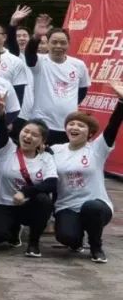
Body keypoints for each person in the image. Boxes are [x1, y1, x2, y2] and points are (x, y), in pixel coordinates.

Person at [51, 81, 123, 264]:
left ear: (90, 133)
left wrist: (121, 102)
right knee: (67, 237)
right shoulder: (56, 150)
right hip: (67, 207)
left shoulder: (97, 149)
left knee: (92, 208)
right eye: (71, 124)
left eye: (81, 126)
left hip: (96, 206)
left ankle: (96, 246)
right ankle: (76, 240)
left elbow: (113, 126)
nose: (75, 127)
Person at [0, 117, 57, 258]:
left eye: (35, 135)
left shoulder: (46, 158)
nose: (28, 136)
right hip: (4, 204)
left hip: (29, 206)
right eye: (26, 131)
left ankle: (33, 243)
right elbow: (1, 129)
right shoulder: (7, 149)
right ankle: (14, 230)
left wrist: (25, 192)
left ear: (42, 141)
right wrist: (0, 114)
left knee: (44, 200)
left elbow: (51, 183)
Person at [24, 16, 91, 145]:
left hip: (68, 125)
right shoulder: (40, 61)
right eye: (54, 42)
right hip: (42, 124)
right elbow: (30, 55)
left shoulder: (78, 65)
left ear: (68, 44)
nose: (58, 46)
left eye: (63, 42)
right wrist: (36, 37)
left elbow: (82, 90)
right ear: (48, 44)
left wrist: (67, 104)